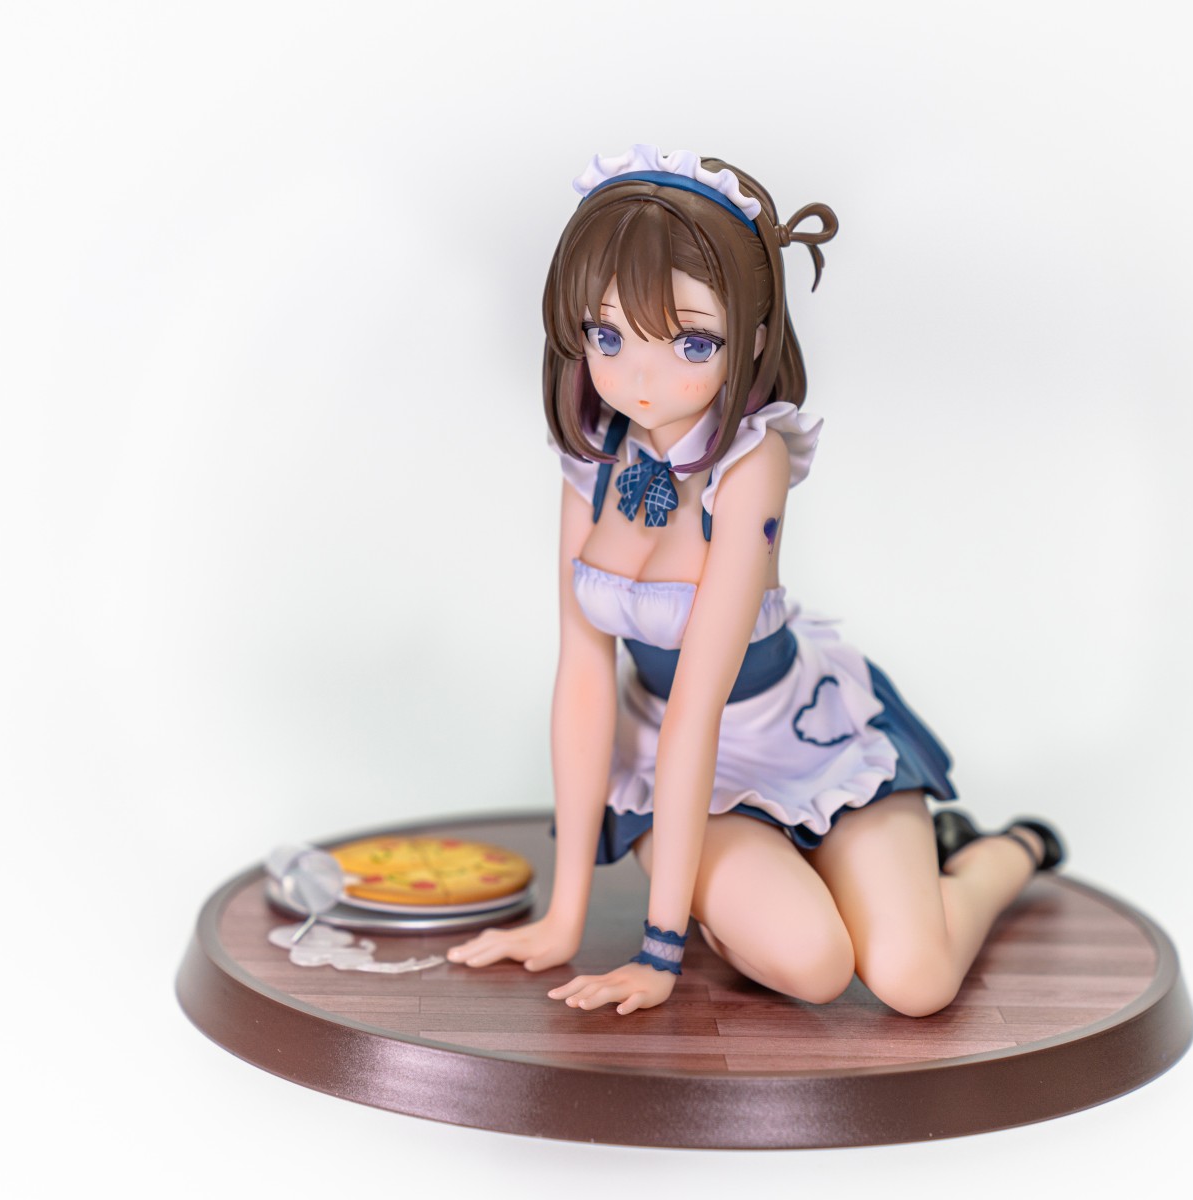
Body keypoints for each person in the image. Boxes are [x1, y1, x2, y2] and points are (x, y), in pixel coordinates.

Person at [445, 146, 1064, 1017]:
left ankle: (1003, 852)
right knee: (814, 966)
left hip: (805, 735)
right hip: (673, 766)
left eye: (691, 343)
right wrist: (563, 919)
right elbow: (583, 676)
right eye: (607, 336)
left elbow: (700, 704)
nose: (639, 377)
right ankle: (760, 893)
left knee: (913, 982)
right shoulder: (590, 461)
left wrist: (659, 955)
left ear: (754, 339)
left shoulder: (751, 463)